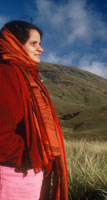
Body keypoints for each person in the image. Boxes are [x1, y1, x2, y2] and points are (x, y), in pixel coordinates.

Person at [0, 20, 68, 200]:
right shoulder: (7, 73)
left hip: (26, 169)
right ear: (15, 44)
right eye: (33, 43)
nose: (41, 49)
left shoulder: (25, 75)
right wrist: (32, 156)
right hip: (13, 173)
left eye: (40, 43)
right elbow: (2, 132)